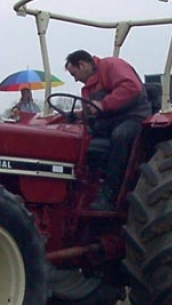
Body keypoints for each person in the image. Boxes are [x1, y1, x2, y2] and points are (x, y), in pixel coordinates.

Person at [64, 49, 152, 211]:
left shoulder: (111, 65)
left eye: (74, 74)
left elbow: (131, 87)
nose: (75, 79)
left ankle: (110, 194)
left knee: (121, 136)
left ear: (82, 64)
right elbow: (91, 111)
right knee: (82, 138)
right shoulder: (87, 88)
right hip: (109, 121)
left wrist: (104, 104)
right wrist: (76, 116)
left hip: (134, 117)